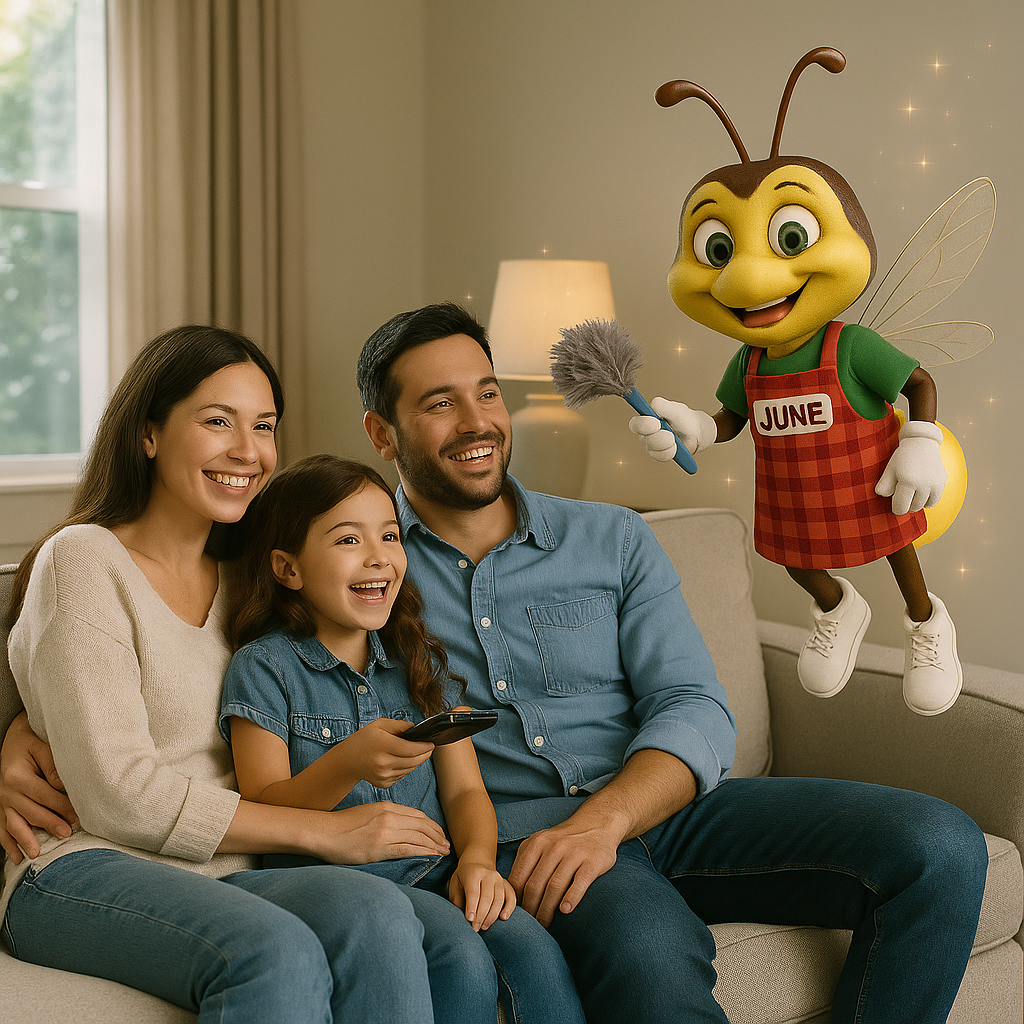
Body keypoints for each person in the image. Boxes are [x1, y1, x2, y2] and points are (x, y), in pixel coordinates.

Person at [4, 305, 990, 1024]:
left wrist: (607, 818)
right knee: (647, 967)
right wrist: (16, 729)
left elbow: (694, 702)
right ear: (382, 435)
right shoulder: (339, 568)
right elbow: (106, 640)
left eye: (486, 393)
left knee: (941, 845)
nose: (476, 421)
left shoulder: (611, 540)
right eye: (439, 404)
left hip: (661, 803)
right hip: (523, 843)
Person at [0, 325, 486, 1024]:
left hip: (230, 869)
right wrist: (322, 833)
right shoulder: (83, 560)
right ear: (148, 433)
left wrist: (23, 721)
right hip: (83, 865)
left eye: (263, 426)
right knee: (273, 951)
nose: (247, 450)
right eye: (217, 421)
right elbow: (115, 793)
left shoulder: (252, 578)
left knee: (406, 924)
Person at [220, 453, 584, 1024]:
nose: (379, 558)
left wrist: (479, 864)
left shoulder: (417, 661)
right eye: (347, 540)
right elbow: (264, 805)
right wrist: (349, 762)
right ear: (287, 569)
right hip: (337, 885)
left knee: (536, 956)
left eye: (389, 535)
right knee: (459, 958)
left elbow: (466, 793)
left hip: (435, 870)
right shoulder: (265, 669)